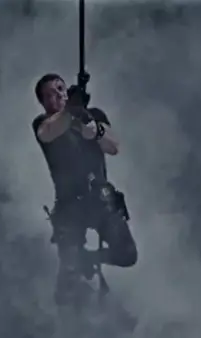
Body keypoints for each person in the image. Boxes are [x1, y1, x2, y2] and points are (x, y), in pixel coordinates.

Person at [31, 73, 138, 306]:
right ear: (43, 102)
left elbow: (113, 146)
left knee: (127, 254)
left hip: (100, 199)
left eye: (60, 89)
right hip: (70, 206)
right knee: (69, 275)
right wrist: (70, 112)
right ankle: (73, 305)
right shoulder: (44, 123)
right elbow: (47, 133)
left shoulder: (93, 115)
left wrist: (94, 128)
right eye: (49, 95)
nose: (57, 96)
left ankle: (88, 259)